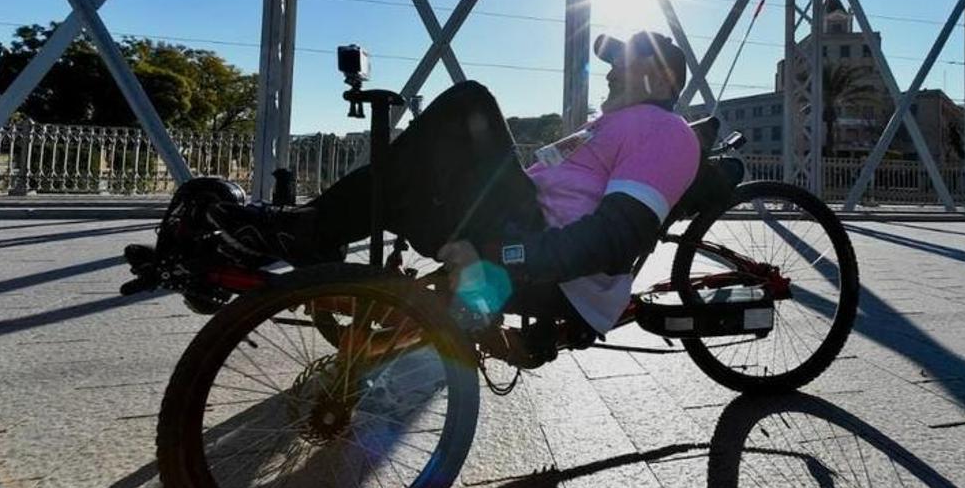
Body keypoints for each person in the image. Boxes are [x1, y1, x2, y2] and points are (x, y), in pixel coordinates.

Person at [209, 31, 701, 336]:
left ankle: (303, 230)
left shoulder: (667, 132)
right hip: (519, 227)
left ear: (659, 82)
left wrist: (503, 252)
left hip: (540, 256)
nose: (611, 72)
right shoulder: (607, 125)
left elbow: (617, 238)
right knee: (401, 190)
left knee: (470, 104)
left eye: (625, 63)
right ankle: (286, 234)